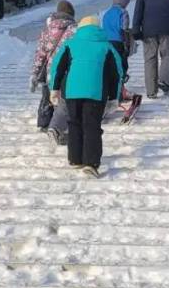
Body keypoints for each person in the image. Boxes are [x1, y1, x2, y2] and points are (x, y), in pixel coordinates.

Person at [48, 15, 125, 177]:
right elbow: (117, 74)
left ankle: (75, 158)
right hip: (96, 93)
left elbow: (57, 67)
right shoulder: (107, 47)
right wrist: (114, 97)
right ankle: (91, 163)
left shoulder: (70, 44)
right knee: (92, 126)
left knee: (74, 123)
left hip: (72, 92)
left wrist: (54, 89)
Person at [29, 0, 76, 143]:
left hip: (48, 70)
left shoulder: (48, 30)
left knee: (46, 97)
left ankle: (43, 123)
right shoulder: (74, 29)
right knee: (62, 101)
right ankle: (59, 129)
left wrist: (35, 73)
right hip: (64, 71)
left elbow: (40, 53)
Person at [101, 0, 134, 99]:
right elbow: (124, 29)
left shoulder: (106, 13)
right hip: (118, 42)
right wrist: (127, 45)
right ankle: (120, 92)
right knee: (121, 66)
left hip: (106, 43)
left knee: (110, 67)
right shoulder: (123, 12)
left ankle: (110, 92)